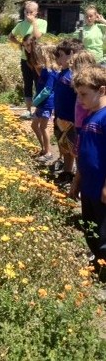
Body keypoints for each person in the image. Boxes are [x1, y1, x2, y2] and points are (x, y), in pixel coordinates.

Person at [69, 65, 106, 280]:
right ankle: (97, 261)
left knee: (103, 233)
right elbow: (84, 154)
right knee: (90, 228)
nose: (80, 100)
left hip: (101, 190)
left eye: (84, 94)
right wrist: (77, 180)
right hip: (88, 188)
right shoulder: (90, 117)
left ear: (101, 90)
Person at [9, 1, 48, 118]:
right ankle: (28, 110)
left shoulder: (42, 22)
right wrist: (20, 43)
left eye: (31, 12)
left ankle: (38, 109)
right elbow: (10, 37)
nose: (28, 14)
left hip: (38, 60)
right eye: (26, 12)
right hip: (25, 58)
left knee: (39, 83)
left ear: (36, 12)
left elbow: (37, 37)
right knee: (27, 84)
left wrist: (34, 23)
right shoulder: (20, 25)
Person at [52, 39, 84, 186]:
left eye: (59, 55)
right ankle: (67, 172)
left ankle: (79, 179)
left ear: (71, 54)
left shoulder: (73, 76)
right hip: (60, 118)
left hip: (71, 121)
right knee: (64, 147)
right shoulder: (62, 73)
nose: (57, 59)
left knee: (75, 150)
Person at [30, 43, 59, 163]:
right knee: (34, 125)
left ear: (46, 56)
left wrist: (35, 101)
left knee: (43, 127)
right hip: (41, 103)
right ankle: (44, 147)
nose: (38, 58)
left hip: (46, 103)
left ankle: (48, 152)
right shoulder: (44, 70)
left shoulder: (51, 72)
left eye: (40, 55)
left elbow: (47, 90)